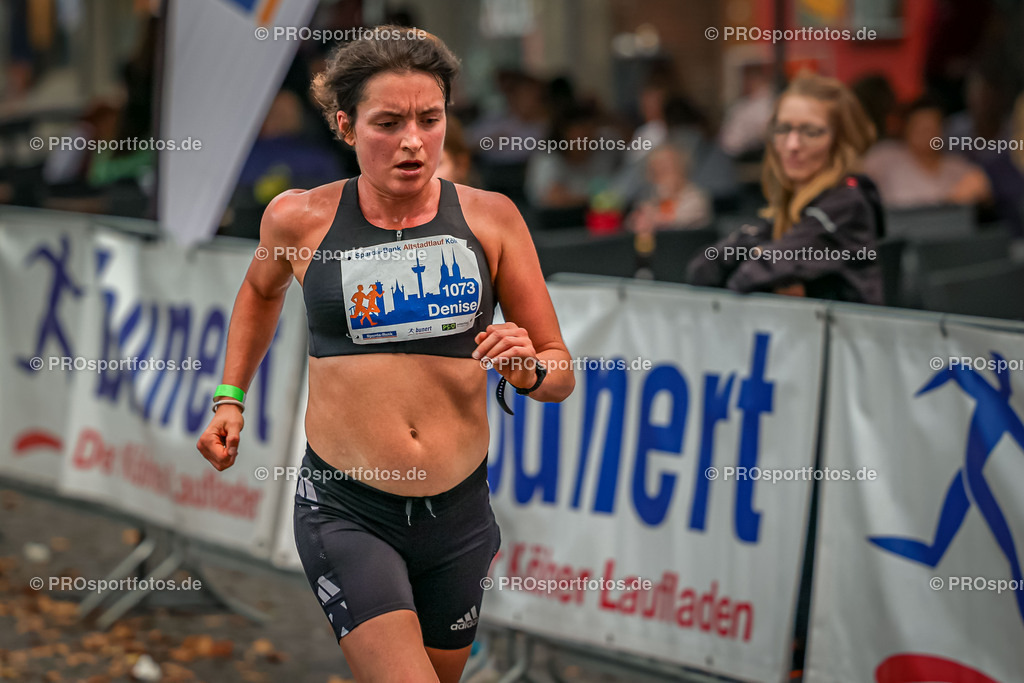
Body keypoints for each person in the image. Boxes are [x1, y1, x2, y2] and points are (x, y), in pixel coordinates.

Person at [196, 27, 575, 683]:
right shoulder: (299, 219)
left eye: (430, 119)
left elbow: (560, 372)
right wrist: (230, 397)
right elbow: (259, 295)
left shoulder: (492, 220)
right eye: (388, 121)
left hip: (458, 516)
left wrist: (531, 368)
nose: (412, 140)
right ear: (345, 125)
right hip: (347, 511)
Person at [687, 74, 884, 304]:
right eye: (783, 129)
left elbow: (751, 276)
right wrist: (758, 252)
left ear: (841, 140)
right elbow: (702, 269)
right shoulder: (794, 210)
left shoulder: (847, 203)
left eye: (811, 132)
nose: (792, 145)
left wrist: (759, 257)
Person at [861, 94, 991, 209]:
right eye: (920, 128)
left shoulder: (956, 165)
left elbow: (982, 187)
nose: (926, 135)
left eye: (931, 128)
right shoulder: (885, 156)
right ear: (907, 129)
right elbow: (858, 183)